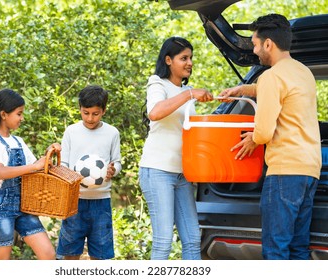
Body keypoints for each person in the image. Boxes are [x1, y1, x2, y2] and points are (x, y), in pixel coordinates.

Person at [219, 14, 322, 260]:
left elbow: (264, 132)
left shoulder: (271, 77)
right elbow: (282, 90)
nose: (254, 51)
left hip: (285, 172)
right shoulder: (302, 71)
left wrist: (252, 138)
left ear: (268, 44)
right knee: (298, 248)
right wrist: (246, 89)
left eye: (255, 44)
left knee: (276, 250)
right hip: (309, 171)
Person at [139, 36, 213, 260]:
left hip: (183, 174)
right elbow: (155, 113)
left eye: (191, 58)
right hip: (157, 171)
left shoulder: (187, 91)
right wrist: (189, 94)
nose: (189, 62)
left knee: (192, 239)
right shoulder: (157, 84)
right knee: (163, 243)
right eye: (184, 58)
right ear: (169, 60)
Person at [0, 88, 61, 260]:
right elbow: (1, 172)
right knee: (2, 262)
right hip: (0, 207)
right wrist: (34, 166)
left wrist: (50, 152)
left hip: (24, 205)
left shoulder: (18, 141)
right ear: (3, 114)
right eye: (19, 113)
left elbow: (36, 166)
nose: (22, 118)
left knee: (48, 254)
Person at [57, 85, 122, 260]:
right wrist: (69, 175)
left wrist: (112, 170)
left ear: (104, 111)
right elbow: (63, 162)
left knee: (100, 255)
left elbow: (117, 162)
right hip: (74, 201)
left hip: (101, 202)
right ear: (79, 108)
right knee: (70, 252)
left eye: (95, 113)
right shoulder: (71, 132)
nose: (90, 118)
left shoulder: (112, 133)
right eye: (86, 113)